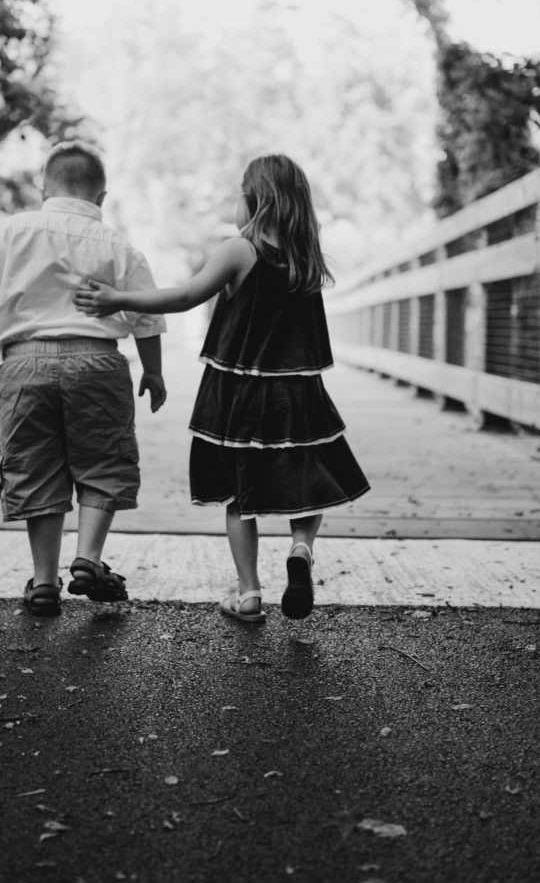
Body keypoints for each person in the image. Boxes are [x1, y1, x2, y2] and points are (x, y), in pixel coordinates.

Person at [75, 154, 369, 623]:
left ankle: (249, 592)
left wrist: (118, 299)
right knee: (307, 484)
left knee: (240, 496)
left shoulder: (240, 251)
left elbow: (187, 296)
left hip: (241, 396)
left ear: (255, 200)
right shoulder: (306, 259)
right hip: (298, 394)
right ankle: (300, 548)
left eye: (238, 192)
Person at [0, 141, 167, 616]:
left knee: (34, 465)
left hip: (25, 364)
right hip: (98, 361)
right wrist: (153, 371)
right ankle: (87, 558)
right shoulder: (119, 245)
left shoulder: (11, 230)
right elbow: (146, 316)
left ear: (42, 186)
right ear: (102, 197)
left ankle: (44, 581)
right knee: (103, 460)